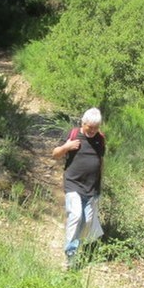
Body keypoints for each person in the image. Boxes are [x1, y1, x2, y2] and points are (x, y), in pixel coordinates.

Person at [52, 108, 105, 269]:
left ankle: (76, 245)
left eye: (96, 128)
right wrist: (67, 147)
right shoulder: (73, 134)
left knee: (87, 221)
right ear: (83, 123)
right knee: (76, 215)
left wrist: (99, 186)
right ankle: (70, 255)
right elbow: (55, 154)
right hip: (73, 184)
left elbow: (101, 162)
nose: (93, 131)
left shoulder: (100, 139)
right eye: (90, 127)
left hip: (91, 188)